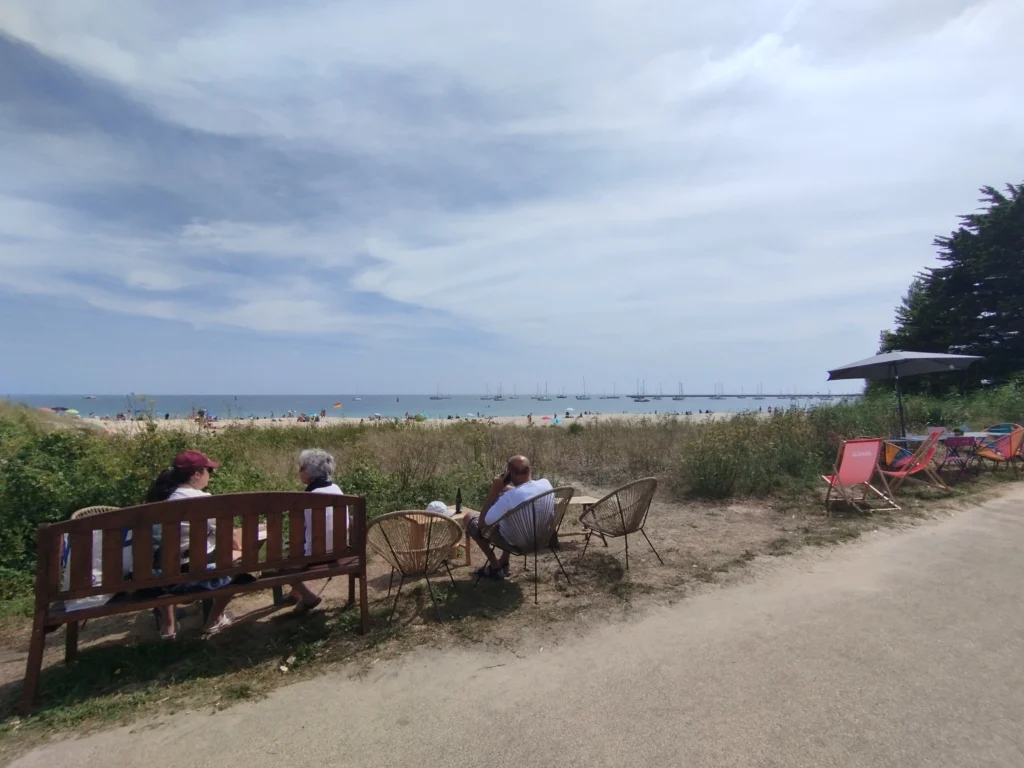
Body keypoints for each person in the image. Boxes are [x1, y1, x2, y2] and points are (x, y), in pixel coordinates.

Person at [145, 451, 234, 638]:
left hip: (159, 575)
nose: (210, 475)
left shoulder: (159, 499)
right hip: (197, 571)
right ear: (197, 474)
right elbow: (228, 536)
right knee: (232, 571)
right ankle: (213, 620)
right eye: (209, 471)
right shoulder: (203, 500)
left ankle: (169, 627)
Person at [465, 455, 553, 579]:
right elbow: (525, 492)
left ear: (510, 474)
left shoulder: (509, 498)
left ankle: (495, 567)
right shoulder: (546, 484)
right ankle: (504, 561)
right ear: (530, 469)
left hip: (517, 544)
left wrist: (495, 491)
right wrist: (506, 489)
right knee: (508, 519)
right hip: (541, 540)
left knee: (469, 517)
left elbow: (482, 523)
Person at [282, 449, 345, 615]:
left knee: (282, 563)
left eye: (301, 468)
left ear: (310, 472)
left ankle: (307, 596)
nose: (299, 471)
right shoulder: (336, 489)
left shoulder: (309, 497)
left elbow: (299, 532)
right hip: (339, 549)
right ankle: (295, 594)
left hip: (315, 554)